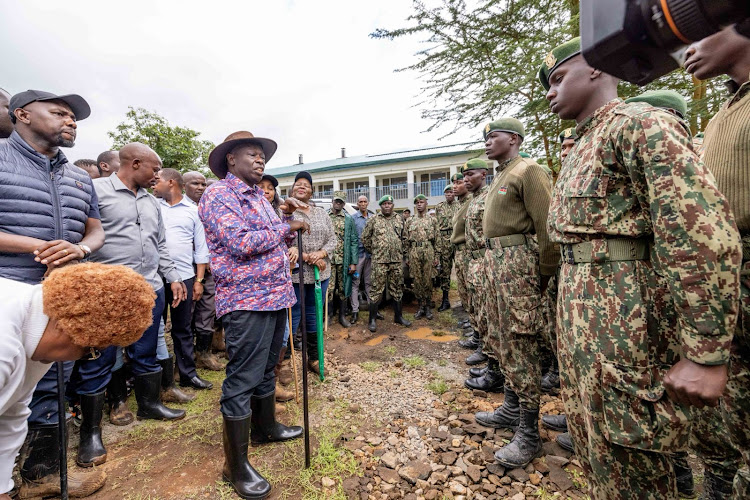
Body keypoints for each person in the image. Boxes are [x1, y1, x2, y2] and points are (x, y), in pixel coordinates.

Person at [540, 37, 741, 499]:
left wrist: (705, 350)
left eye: (557, 79)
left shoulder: (640, 125)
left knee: (637, 469)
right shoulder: (584, 145)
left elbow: (698, 233)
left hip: (628, 338)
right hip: (588, 336)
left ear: (595, 68)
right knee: (603, 462)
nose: (551, 93)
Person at [622, 88, 741, 499]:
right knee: (676, 386)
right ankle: (688, 472)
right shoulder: (727, 113)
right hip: (680, 280)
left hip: (718, 276)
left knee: (726, 402)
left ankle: (720, 481)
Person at [0, 89, 107, 498]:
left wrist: (79, 248)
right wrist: (34, 246)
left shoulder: (79, 177)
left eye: (74, 117)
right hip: (7, 290)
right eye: (59, 112)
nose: (71, 121)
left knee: (47, 388)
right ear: (22, 114)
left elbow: (95, 230)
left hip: (60, 298)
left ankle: (40, 475)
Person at [199, 131, 306, 499]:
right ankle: (235, 466)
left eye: (263, 156)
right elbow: (240, 242)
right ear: (231, 159)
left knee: (268, 368)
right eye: (252, 154)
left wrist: (286, 228)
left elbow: (276, 239)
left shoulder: (259, 198)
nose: (260, 161)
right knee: (242, 377)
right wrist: (284, 227)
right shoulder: (219, 194)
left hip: (276, 295)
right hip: (247, 300)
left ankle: (266, 427)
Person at [0, 263, 155, 500]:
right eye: (90, 352)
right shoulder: (4, 347)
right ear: (67, 328)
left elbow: (12, 414)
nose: (84, 358)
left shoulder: (36, 325)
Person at [684, 25, 750, 498]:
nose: (689, 48)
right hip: (723, 273)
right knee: (726, 398)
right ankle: (720, 481)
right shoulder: (726, 111)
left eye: (704, 33)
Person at [83, 143, 187, 437]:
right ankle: (92, 431)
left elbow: (160, 244)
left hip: (149, 289)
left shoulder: (152, 201)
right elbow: (82, 236)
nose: (158, 175)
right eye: (155, 169)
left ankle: (149, 405)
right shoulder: (96, 191)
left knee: (146, 351)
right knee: (101, 357)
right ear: (136, 163)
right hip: (108, 292)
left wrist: (174, 276)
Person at [474, 118, 558, 469]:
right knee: (506, 340)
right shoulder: (502, 175)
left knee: (522, 344)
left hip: (519, 268)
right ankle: (511, 408)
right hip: (498, 266)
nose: (488, 142)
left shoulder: (529, 170)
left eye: (493, 136)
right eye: (486, 138)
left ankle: (529, 433)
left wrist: (542, 277)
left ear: (514, 138)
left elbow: (548, 230)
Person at [152, 168, 214, 388]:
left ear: (171, 182)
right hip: (154, 278)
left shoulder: (193, 211)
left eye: (157, 179)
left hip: (185, 277)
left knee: (183, 328)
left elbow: (201, 249)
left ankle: (187, 374)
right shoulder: (151, 206)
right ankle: (158, 378)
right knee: (153, 328)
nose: (152, 182)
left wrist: (198, 281)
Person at [458, 159, 504, 395]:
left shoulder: (489, 196)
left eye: (470, 175)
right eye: (464, 176)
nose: (465, 179)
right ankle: (490, 364)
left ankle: (495, 371)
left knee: (489, 316)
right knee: (482, 313)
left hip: (485, 260)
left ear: (483, 174)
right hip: (474, 261)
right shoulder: (476, 198)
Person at [288, 171, 337, 373]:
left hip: (320, 275)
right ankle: (285, 364)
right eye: (298, 184)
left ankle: (313, 359)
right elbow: (282, 242)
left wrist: (321, 253)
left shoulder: (322, 214)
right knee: (294, 316)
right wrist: (308, 257)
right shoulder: (286, 213)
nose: (302, 187)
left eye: (306, 185)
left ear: (311, 191)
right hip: (294, 276)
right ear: (292, 189)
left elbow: (333, 239)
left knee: (314, 315)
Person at [361, 195, 412, 332]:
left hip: (396, 260)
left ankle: (398, 316)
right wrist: (376, 251)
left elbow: (405, 238)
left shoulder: (399, 218)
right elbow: (365, 238)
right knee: (376, 290)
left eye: (389, 203)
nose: (387, 206)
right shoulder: (373, 219)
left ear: (393, 205)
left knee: (397, 288)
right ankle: (372, 319)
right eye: (384, 204)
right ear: (380, 206)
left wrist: (403, 254)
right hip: (380, 261)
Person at [328, 190, 358, 328]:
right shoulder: (325, 216)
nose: (338, 204)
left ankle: (342, 316)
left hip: (343, 260)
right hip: (328, 260)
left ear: (343, 204)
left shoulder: (348, 219)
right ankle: (328, 315)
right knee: (329, 288)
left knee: (343, 288)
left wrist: (353, 262)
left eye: (340, 202)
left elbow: (353, 241)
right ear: (332, 201)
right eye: (336, 201)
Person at [405, 194, 438, 320]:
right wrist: (407, 257)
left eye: (421, 202)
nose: (419, 204)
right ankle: (420, 306)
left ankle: (428, 306)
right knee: (417, 280)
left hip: (428, 249)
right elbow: (405, 240)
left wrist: (437, 256)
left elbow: (437, 239)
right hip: (414, 250)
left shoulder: (432, 220)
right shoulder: (410, 220)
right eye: (417, 202)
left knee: (428, 279)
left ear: (426, 204)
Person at [351, 195, 376, 324]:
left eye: (365, 201)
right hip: (358, 255)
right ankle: (355, 311)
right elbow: (351, 239)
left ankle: (373, 310)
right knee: (355, 283)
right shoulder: (353, 218)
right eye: (360, 201)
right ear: (357, 203)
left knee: (369, 283)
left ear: (368, 203)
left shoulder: (372, 217)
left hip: (370, 255)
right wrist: (352, 260)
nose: (363, 203)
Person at [434, 184, 458, 312]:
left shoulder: (459, 206)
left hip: (456, 239)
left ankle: (465, 300)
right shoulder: (439, 207)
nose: (449, 195)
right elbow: (437, 225)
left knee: (461, 269)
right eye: (447, 193)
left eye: (451, 193)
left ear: (454, 194)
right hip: (443, 240)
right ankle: (445, 299)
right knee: (445, 271)